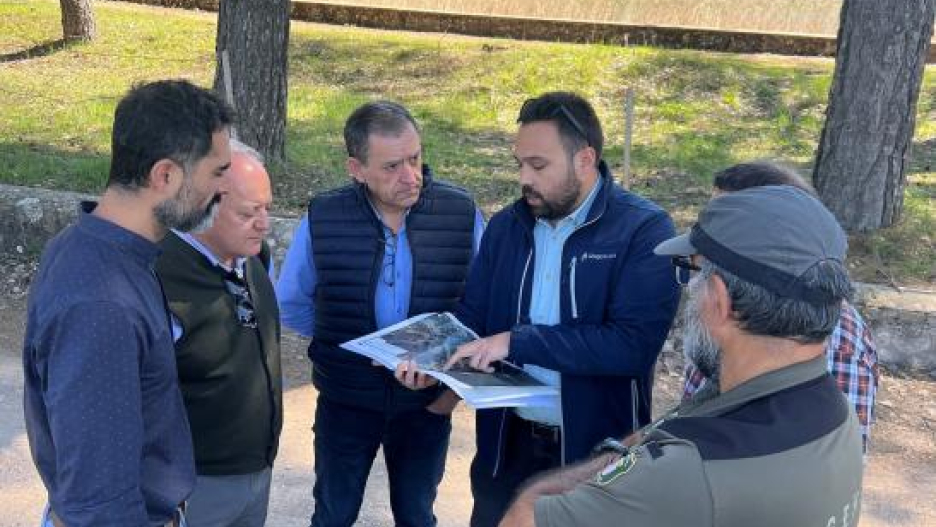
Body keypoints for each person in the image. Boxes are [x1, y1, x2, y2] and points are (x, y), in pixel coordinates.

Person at [499, 184, 864, 527]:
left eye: (690, 270)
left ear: (720, 301)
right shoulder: (835, 412)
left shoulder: (689, 473)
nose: (690, 292)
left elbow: (524, 518)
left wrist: (599, 471)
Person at [442, 92, 681, 527]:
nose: (524, 179)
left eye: (538, 165)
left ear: (584, 159)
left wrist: (519, 342)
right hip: (505, 447)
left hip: (595, 453)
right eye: (519, 164)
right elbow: (474, 316)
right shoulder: (506, 227)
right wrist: (432, 356)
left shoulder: (643, 230)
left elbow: (632, 346)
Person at [22, 79, 233, 527]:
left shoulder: (95, 245)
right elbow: (100, 505)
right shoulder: (102, 304)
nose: (224, 190)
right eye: (217, 173)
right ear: (166, 176)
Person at [276, 100, 485, 527]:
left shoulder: (460, 213)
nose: (410, 176)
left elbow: (482, 307)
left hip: (426, 406)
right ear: (356, 168)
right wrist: (344, 341)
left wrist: (444, 385)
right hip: (345, 400)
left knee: (416, 515)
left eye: (415, 159)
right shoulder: (325, 216)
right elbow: (291, 302)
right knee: (333, 515)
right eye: (391, 166)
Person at [680, 161, 879, 452]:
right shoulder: (730, 308)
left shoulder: (835, 343)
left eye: (726, 223)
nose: (709, 235)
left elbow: (821, 470)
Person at [155, 139, 282, 527]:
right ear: (204, 204)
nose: (264, 224)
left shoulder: (250, 258)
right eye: (248, 212)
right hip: (194, 484)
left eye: (266, 209)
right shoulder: (159, 277)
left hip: (256, 472)